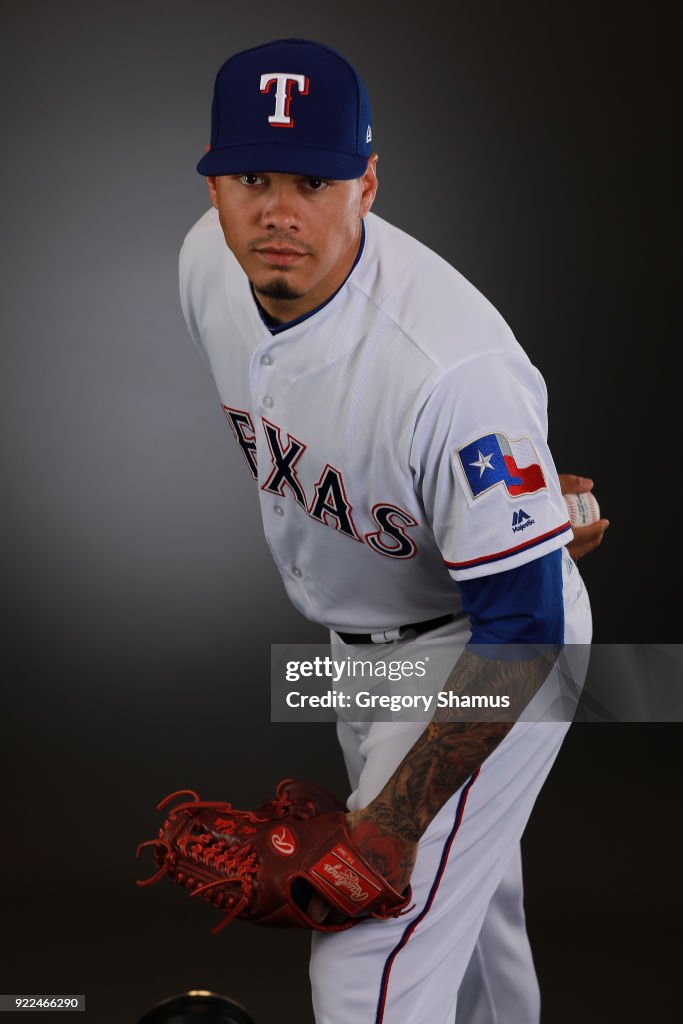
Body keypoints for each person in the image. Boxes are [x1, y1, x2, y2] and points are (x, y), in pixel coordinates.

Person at [179, 38, 608, 1024]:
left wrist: (386, 832)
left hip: (489, 651)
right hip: (357, 652)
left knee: (367, 956)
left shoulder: (451, 372)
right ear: (210, 186)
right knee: (469, 925)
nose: (278, 208)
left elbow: (523, 627)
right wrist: (501, 514)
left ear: (367, 183)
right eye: (250, 175)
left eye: (315, 179)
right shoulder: (205, 266)